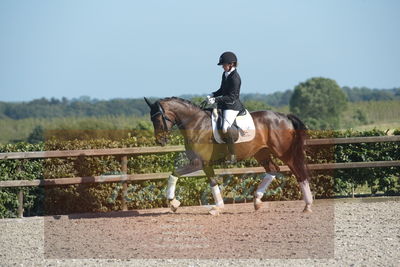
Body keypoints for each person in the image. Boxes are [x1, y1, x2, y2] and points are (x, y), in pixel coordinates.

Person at [206, 51, 244, 164]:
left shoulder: (235, 78)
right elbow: (222, 90)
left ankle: (232, 155)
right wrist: (212, 94)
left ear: (231, 64)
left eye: (224, 64)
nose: (223, 66)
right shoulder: (225, 74)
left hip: (232, 106)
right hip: (224, 105)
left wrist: (216, 100)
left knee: (225, 127)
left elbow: (232, 97)